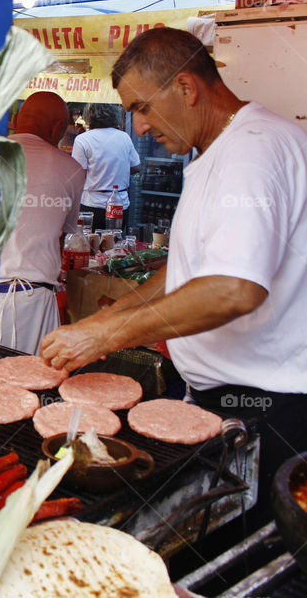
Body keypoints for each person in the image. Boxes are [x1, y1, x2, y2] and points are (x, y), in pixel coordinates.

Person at [40, 26, 307, 521]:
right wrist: (100, 323)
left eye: (142, 107)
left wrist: (105, 336)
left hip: (271, 412)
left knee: (245, 562)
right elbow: (187, 267)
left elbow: (233, 289)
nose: (138, 128)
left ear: (186, 88)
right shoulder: (222, 151)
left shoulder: (252, 151)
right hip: (228, 401)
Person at [0, 92, 85, 354]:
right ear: (58, 128)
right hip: (33, 301)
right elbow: (61, 236)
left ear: (15, 119)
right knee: (31, 388)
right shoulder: (72, 169)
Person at [71, 102, 140, 230]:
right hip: (120, 204)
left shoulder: (83, 139)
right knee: (114, 245)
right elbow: (136, 167)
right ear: (115, 115)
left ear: (89, 115)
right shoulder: (124, 137)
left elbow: (78, 173)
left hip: (92, 204)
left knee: (91, 243)